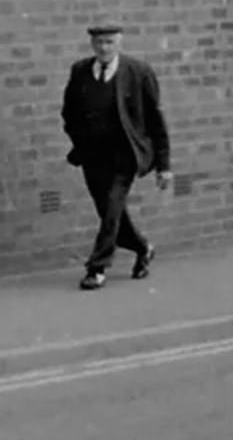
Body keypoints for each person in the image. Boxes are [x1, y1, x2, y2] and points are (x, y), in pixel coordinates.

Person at [60, 23, 172, 290]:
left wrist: (164, 166)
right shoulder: (80, 71)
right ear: (92, 45)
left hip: (125, 156)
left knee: (112, 208)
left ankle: (97, 268)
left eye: (109, 42)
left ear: (119, 44)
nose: (104, 48)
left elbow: (156, 120)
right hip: (93, 155)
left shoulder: (138, 72)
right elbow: (69, 112)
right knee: (110, 213)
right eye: (99, 43)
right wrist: (79, 141)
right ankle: (143, 248)